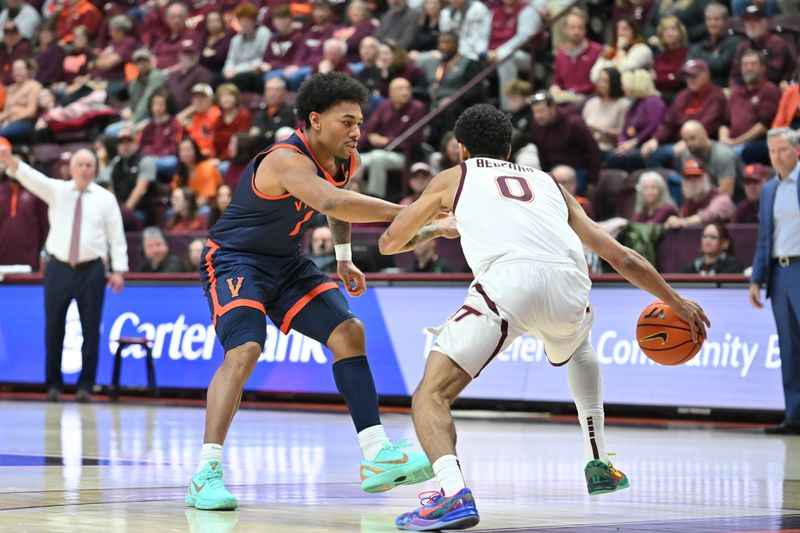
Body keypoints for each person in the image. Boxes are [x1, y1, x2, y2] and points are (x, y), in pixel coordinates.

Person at [378, 103, 709, 531]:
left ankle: (453, 494)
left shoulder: (454, 177)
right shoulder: (549, 182)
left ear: (460, 149)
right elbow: (620, 255)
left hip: (509, 283)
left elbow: (390, 242)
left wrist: (434, 229)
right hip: (570, 285)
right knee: (579, 349)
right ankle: (599, 463)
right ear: (510, 149)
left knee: (430, 396)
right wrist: (676, 300)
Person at [186, 72, 433, 511]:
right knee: (244, 350)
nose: (357, 132)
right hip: (235, 260)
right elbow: (334, 203)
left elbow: (334, 201)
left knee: (349, 333)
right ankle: (206, 473)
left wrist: (342, 256)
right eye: (347, 122)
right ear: (315, 120)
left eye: (359, 122)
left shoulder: (342, 158)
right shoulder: (284, 159)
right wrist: (415, 213)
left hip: (287, 262)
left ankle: (377, 454)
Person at [0, 147, 127, 403]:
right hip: (58, 268)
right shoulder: (58, 191)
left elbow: (117, 235)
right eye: (79, 164)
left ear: (95, 169)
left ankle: (86, 385)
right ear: (71, 168)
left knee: (91, 329)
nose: (84, 169)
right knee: (54, 327)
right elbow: (33, 179)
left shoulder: (105, 198)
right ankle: (53, 384)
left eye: (89, 165)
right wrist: (12, 162)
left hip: (91, 269)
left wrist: (119, 270)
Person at [750, 128, 800, 435]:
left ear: (796, 150)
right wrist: (757, 279)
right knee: (789, 348)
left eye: (782, 150)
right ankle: (794, 416)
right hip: (779, 274)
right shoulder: (768, 189)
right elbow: (764, 237)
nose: (777, 156)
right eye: (772, 151)